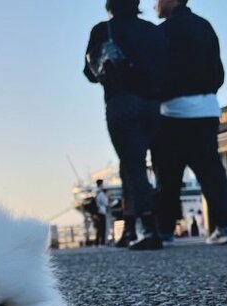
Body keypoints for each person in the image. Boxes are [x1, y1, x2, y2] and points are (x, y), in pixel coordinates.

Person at [154, 0, 227, 245]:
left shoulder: (162, 32)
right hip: (207, 108)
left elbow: (155, 72)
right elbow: (218, 71)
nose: (154, 5)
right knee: (211, 170)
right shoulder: (204, 26)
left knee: (168, 174)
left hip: (172, 110)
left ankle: (165, 231)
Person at [84, 0, 164, 250]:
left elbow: (89, 72)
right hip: (154, 105)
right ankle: (130, 228)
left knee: (133, 164)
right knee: (132, 163)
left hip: (122, 103)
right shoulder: (152, 31)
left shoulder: (103, 30)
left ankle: (149, 229)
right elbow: (166, 67)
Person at [94, 180, 109, 246]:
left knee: (99, 228)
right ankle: (102, 242)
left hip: (98, 211)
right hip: (102, 211)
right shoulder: (101, 193)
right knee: (103, 228)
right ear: (101, 184)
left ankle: (97, 242)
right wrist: (107, 197)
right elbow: (105, 203)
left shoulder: (97, 192)